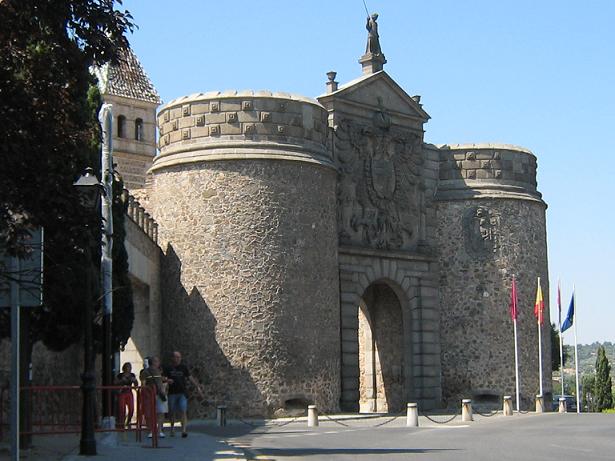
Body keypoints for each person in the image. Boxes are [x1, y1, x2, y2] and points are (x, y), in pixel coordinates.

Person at [163, 351, 204, 438]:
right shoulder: (168, 368)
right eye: (176, 357)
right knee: (172, 412)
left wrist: (197, 386)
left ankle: (184, 430)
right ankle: (172, 428)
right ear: (173, 358)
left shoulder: (183, 367)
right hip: (172, 393)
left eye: (179, 357)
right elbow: (163, 378)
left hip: (182, 393)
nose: (178, 359)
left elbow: (190, 377)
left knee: (183, 410)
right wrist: (167, 380)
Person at [140, 356, 169, 438]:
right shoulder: (145, 372)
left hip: (160, 394)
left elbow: (159, 381)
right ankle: (151, 430)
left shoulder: (158, 371)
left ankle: (159, 430)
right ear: (153, 362)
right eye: (157, 361)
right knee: (150, 413)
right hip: (150, 395)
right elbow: (143, 385)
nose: (159, 363)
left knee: (161, 412)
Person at [116, 362, 138, 429]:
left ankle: (128, 421)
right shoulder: (120, 375)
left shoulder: (132, 375)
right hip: (122, 392)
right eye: (128, 367)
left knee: (131, 409)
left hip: (129, 392)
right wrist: (121, 381)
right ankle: (121, 424)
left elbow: (136, 384)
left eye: (130, 367)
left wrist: (135, 381)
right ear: (124, 368)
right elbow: (115, 382)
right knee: (122, 409)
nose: (129, 368)